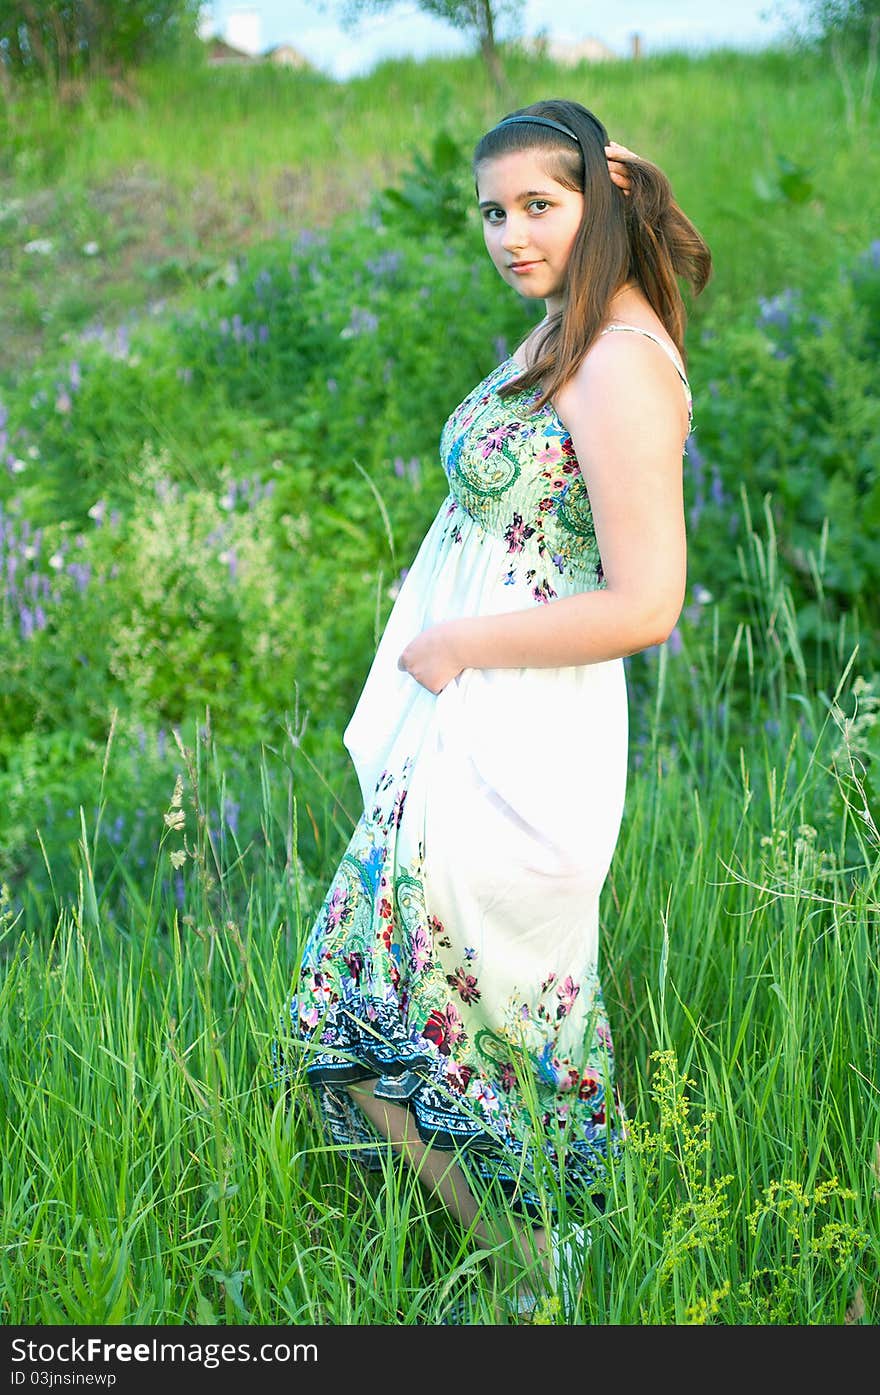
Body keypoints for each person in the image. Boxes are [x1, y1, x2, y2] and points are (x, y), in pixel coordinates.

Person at [273, 97, 712, 1321]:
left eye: (541, 205)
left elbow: (647, 603)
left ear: (601, 204)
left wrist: (459, 640)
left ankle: (541, 1271)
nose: (511, 234)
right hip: (466, 734)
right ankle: (545, 1261)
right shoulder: (564, 339)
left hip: (525, 745)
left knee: (384, 1011)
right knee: (382, 1008)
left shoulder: (619, 364)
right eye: (493, 211)